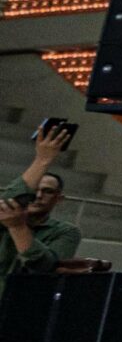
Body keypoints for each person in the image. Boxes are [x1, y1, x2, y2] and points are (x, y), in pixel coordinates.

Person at [0, 123, 80, 296]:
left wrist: (18, 228)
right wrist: (42, 160)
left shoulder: (66, 232)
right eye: (35, 190)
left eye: (47, 191)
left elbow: (46, 268)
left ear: (58, 199)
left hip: (25, 306)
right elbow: (8, 201)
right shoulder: (3, 217)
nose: (38, 196)